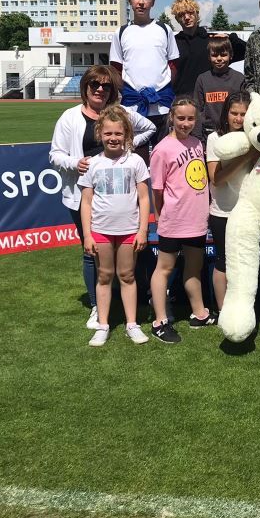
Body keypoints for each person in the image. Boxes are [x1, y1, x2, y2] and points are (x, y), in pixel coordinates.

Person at [49, 65, 155, 330]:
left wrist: (129, 145)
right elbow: (55, 154)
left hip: (119, 196)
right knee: (91, 251)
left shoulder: (121, 113)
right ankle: (98, 305)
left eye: (106, 86)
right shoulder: (70, 117)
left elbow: (150, 127)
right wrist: (75, 163)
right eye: (94, 84)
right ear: (85, 86)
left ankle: (129, 301)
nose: (100, 89)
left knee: (129, 251)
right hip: (83, 194)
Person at [78, 105, 151, 346]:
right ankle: (103, 325)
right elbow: (86, 202)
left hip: (129, 230)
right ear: (100, 134)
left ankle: (132, 324)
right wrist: (87, 235)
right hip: (101, 231)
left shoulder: (136, 161)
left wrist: (142, 230)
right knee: (104, 275)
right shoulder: (92, 164)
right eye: (108, 133)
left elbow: (144, 198)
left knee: (127, 275)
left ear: (127, 134)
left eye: (118, 133)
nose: (113, 138)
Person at [149, 96, 216, 342]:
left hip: (196, 220)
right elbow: (157, 190)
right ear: (171, 118)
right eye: (180, 118)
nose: (185, 123)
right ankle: (159, 321)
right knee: (164, 269)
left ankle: (199, 313)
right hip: (173, 220)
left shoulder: (198, 143)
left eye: (190, 118)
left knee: (193, 268)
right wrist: (160, 217)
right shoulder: (162, 149)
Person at [206, 92, 257, 311]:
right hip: (222, 212)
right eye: (234, 113)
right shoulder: (214, 138)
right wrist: (245, 157)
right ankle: (223, 310)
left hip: (249, 211)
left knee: (246, 263)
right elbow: (216, 179)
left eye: (243, 114)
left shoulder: (255, 137)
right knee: (224, 261)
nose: (238, 118)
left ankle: (244, 308)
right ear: (226, 113)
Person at [109, 0, 180, 136]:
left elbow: (173, 65)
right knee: (134, 149)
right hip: (132, 107)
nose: (141, 2)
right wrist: (131, 93)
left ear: (153, 2)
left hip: (162, 106)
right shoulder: (120, 32)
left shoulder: (164, 29)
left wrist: (161, 89)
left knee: (163, 149)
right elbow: (115, 69)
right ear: (130, 1)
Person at [171, 0, 245, 97]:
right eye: (181, 15)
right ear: (177, 19)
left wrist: (230, 38)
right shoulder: (173, 43)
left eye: (190, 13)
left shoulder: (211, 40)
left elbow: (246, 51)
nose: (187, 17)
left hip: (210, 100)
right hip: (182, 101)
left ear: (197, 13)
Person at [193, 35, 245, 139]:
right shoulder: (202, 79)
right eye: (215, 55)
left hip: (233, 133)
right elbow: (197, 109)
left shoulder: (239, 78)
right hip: (208, 133)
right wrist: (197, 136)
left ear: (231, 55)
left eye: (224, 55)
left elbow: (244, 109)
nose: (219, 59)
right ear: (209, 57)